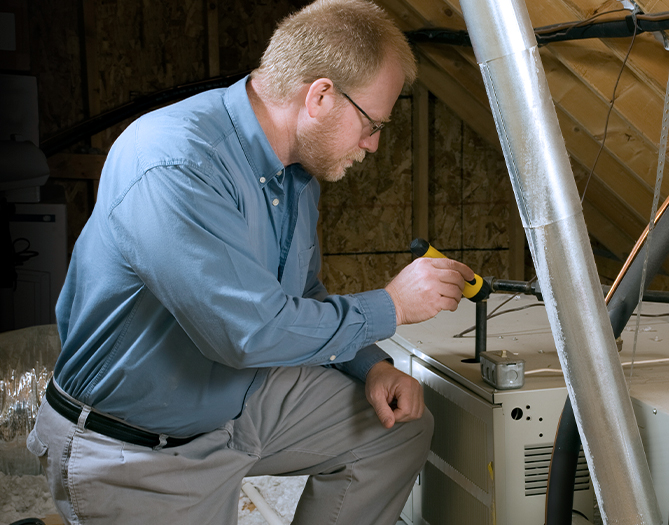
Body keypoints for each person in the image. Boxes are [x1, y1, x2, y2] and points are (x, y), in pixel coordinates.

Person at [27, 1, 474, 523]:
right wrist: (392, 305)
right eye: (372, 122)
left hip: (233, 401)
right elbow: (245, 335)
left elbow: (300, 300)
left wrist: (370, 364)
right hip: (138, 447)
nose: (373, 145)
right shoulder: (175, 160)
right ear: (321, 96)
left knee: (397, 427)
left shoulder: (295, 173)